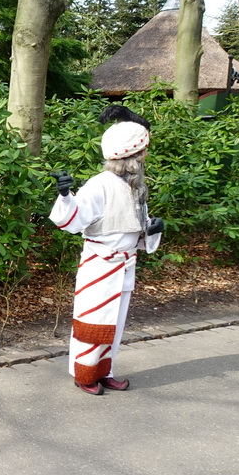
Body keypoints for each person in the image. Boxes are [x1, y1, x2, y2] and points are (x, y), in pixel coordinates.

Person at [49, 106, 164, 396]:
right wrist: (65, 197)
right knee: (92, 324)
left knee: (115, 323)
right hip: (100, 266)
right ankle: (85, 374)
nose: (145, 156)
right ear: (132, 155)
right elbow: (73, 220)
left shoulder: (135, 186)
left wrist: (151, 228)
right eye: (143, 152)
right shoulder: (99, 184)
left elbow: (133, 227)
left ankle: (106, 372)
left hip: (125, 266)